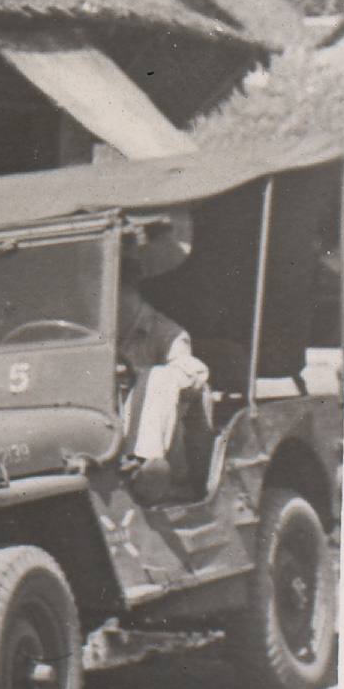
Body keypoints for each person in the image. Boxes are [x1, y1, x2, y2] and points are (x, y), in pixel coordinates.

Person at [117, 212, 208, 504]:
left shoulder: (166, 332)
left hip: (163, 460)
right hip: (102, 444)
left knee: (163, 375)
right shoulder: (86, 337)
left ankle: (146, 466)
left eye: (123, 287)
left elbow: (190, 371)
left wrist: (146, 376)